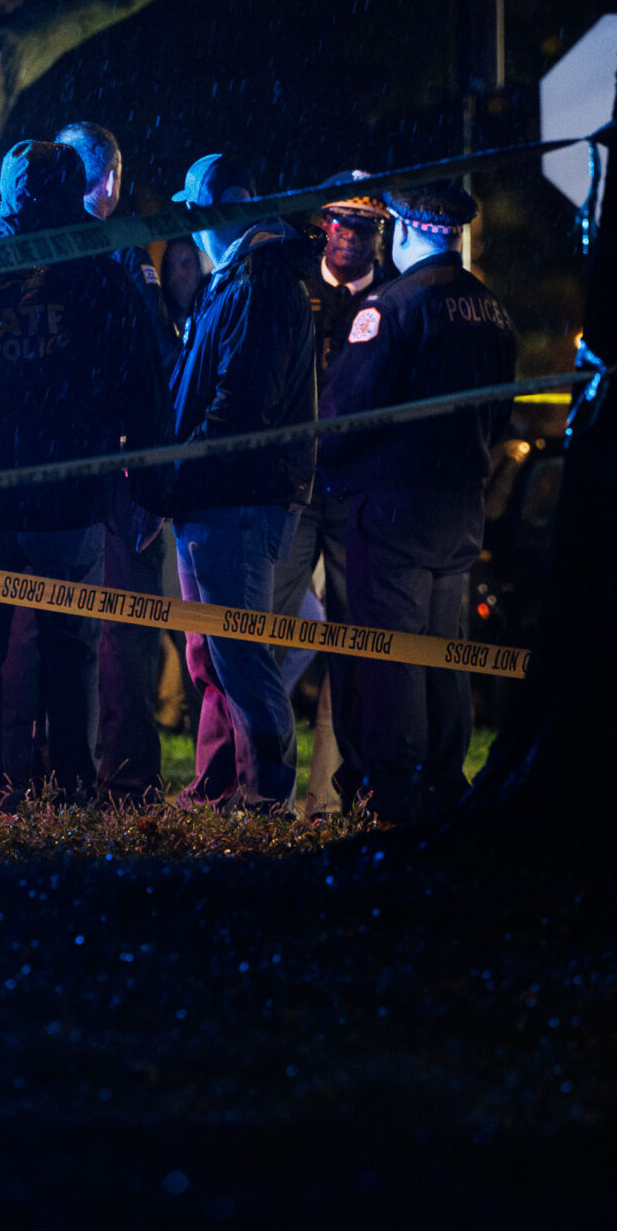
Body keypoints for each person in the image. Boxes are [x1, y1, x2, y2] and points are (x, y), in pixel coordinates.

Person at [0, 140, 169, 814]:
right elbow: (145, 390)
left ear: (8, 191)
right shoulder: (101, 277)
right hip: (71, 499)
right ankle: (71, 791)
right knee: (72, 648)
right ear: (76, 191)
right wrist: (151, 489)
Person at [316, 181, 515, 826]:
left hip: (395, 506)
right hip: (460, 505)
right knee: (445, 649)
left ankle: (396, 790)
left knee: (392, 651)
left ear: (405, 232)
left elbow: (346, 415)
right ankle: (445, 779)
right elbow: (501, 415)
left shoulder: (392, 307)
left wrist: (327, 471)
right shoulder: (492, 311)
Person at [150, 153, 319, 814]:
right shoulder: (238, 281)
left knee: (242, 656)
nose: (189, 228)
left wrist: (175, 471)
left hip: (237, 501)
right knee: (214, 655)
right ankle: (222, 782)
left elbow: (237, 409)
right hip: (216, 497)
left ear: (212, 210)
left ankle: (267, 793)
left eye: (195, 212)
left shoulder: (258, 286)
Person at [58, 120, 180, 802]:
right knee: (124, 633)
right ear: (109, 181)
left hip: (36, 479)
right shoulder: (121, 252)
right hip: (112, 476)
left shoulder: (13, 247)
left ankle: (35, 777)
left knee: (43, 632)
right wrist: (153, 482)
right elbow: (154, 367)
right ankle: (127, 778)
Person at [274, 172, 403, 812]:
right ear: (324, 225)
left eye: (365, 225)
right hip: (297, 487)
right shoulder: (295, 291)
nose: (351, 234)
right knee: (264, 628)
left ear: (381, 235)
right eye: (342, 221)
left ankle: (341, 792)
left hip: (357, 492)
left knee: (354, 643)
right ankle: (264, 783)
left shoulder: (396, 301)